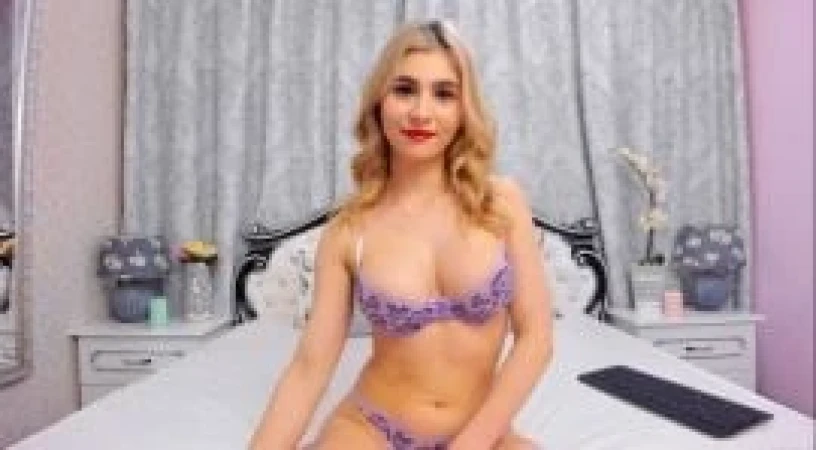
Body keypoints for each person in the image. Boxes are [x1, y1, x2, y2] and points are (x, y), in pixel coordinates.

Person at [250, 19, 553, 450]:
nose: (421, 112)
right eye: (405, 90)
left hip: (479, 434)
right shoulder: (348, 231)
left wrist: (472, 443)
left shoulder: (501, 203)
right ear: (379, 102)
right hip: (370, 428)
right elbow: (309, 368)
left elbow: (536, 339)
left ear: (463, 109)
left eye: (444, 94)